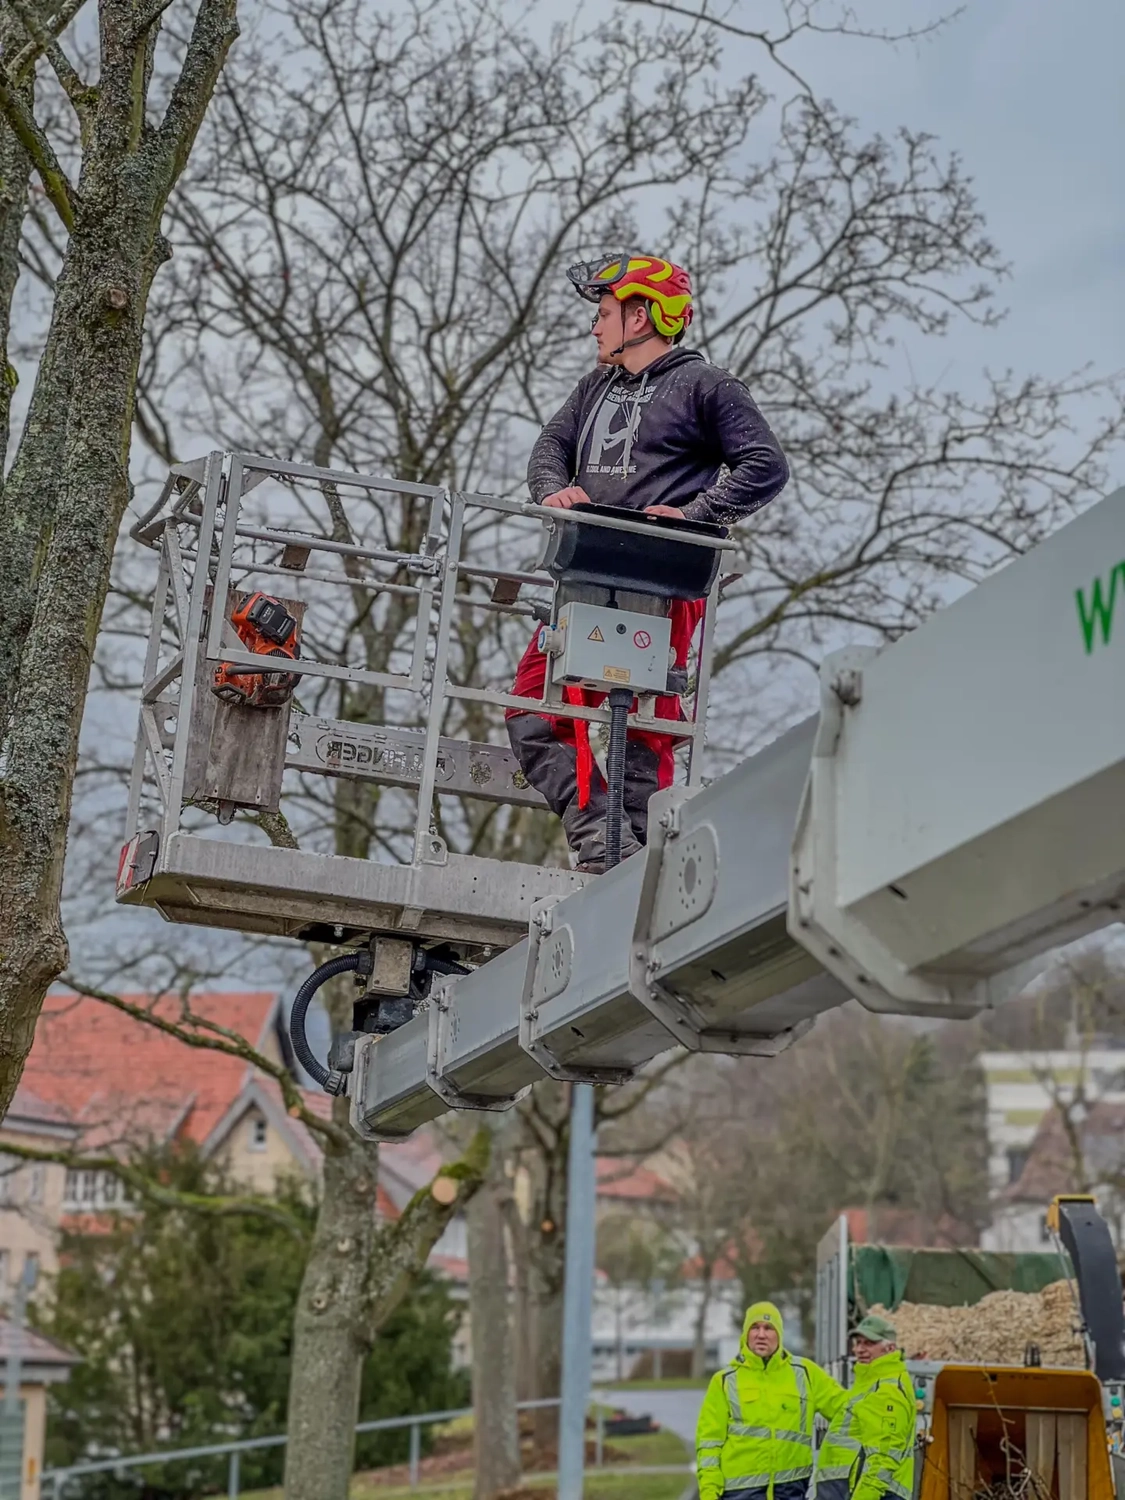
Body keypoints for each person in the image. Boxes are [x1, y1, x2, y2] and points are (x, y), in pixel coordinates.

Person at [506, 252, 789, 872]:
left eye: (604, 313)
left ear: (642, 315)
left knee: (650, 722)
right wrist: (554, 488)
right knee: (534, 708)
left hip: (662, 580)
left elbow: (765, 466)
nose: (595, 326)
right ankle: (605, 846)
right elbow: (550, 446)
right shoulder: (595, 387)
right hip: (582, 574)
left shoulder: (707, 385)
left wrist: (695, 514)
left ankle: (638, 855)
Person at [696, 1300, 846, 1500]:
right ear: (745, 1334)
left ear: (779, 1335)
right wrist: (709, 1491)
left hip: (790, 1490)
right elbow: (709, 1443)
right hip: (740, 1493)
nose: (761, 1334)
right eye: (755, 1328)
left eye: (768, 1328)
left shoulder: (806, 1374)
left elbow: (848, 1412)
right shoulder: (724, 1381)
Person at [815, 1314, 917, 1500]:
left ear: (890, 1348)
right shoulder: (868, 1383)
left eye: (869, 1343)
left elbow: (883, 1456)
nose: (859, 1349)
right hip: (843, 1490)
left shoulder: (888, 1390)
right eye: (858, 1343)